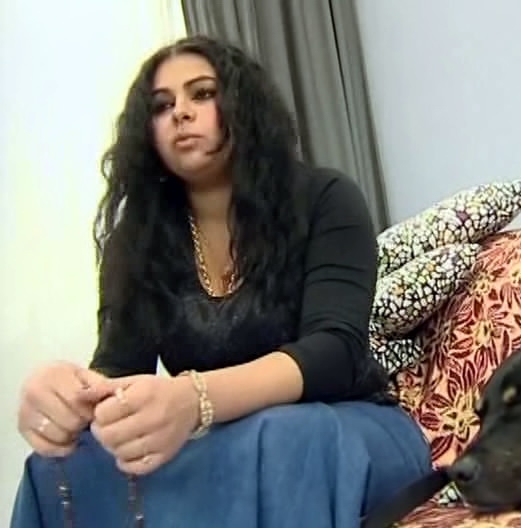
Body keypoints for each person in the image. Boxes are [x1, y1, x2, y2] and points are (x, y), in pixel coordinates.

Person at [11, 35, 431, 527]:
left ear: (243, 105)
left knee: (281, 434)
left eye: (202, 93)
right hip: (229, 439)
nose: (180, 113)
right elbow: (122, 367)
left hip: (346, 424)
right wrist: (71, 396)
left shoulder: (325, 198)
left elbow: (335, 354)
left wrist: (196, 400)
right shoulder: (139, 239)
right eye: (161, 105)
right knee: (61, 463)